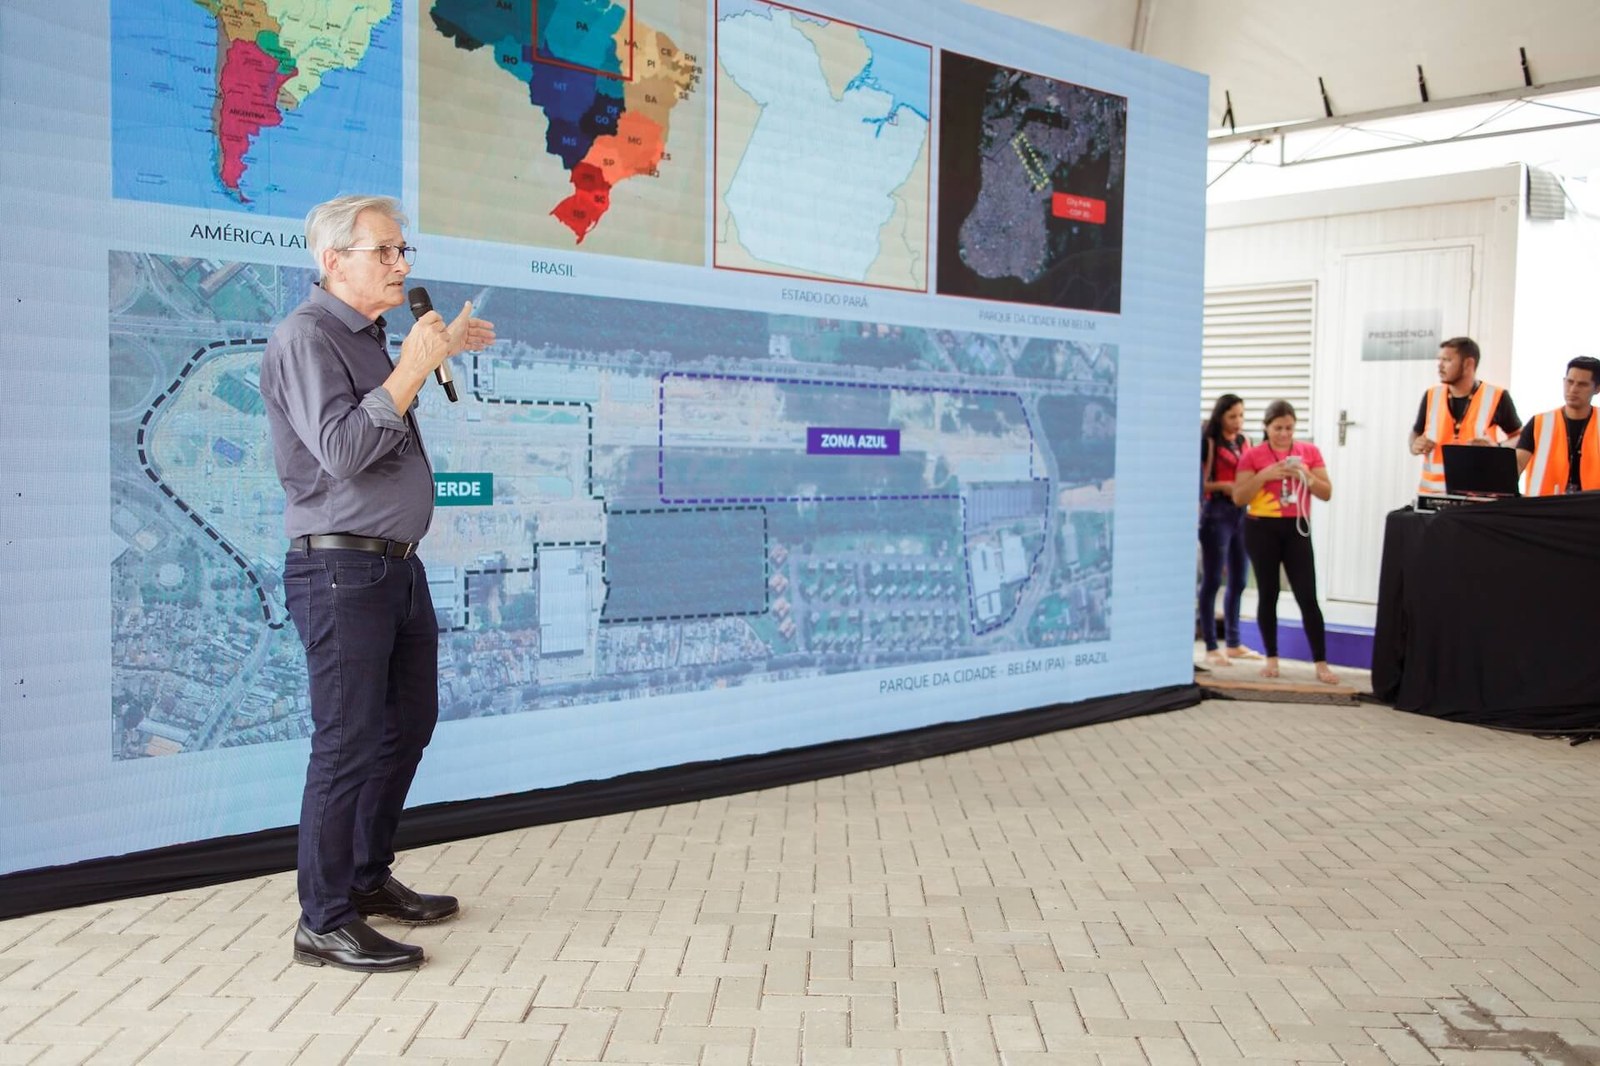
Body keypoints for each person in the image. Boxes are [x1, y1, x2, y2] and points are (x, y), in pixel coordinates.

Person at [259, 194, 495, 972]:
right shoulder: (306, 337)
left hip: (395, 565)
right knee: (347, 742)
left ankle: (364, 877)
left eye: (403, 252)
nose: (401, 265)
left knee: (407, 726)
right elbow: (342, 450)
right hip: (340, 569)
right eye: (385, 252)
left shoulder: (371, 338)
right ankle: (322, 920)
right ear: (334, 261)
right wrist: (412, 370)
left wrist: (430, 355)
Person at [1232, 400, 1338, 685]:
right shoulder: (1253, 455)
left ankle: (1321, 662)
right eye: (1277, 428)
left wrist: (1306, 474)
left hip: (1297, 528)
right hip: (1261, 528)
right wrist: (1265, 475)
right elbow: (1239, 497)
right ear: (1266, 428)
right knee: (1268, 593)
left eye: (1289, 428)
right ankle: (1272, 658)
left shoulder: (1309, 452)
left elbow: (1326, 492)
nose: (1283, 434)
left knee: (1307, 595)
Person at [1409, 336, 1521, 496]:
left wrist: (1497, 449)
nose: (1440, 366)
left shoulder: (1497, 396)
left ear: (1468, 364)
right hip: (1433, 496)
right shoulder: (1431, 395)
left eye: (1447, 360)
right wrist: (1415, 445)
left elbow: (1520, 437)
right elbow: (1415, 433)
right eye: (1439, 359)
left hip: (1477, 496)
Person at [1197, 394, 1254, 668]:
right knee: (1212, 580)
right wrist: (1224, 486)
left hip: (1241, 514)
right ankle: (1210, 644)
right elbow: (1200, 485)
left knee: (1240, 580)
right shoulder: (1208, 443)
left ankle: (1233, 642)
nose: (1238, 421)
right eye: (1233, 416)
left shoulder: (1245, 442)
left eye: (1241, 415)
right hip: (1216, 513)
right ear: (1220, 416)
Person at [1516, 356, 1600, 495]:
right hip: (1544, 509)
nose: (1573, 389)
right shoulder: (1539, 423)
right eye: (1570, 382)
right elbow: (1517, 464)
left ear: (1597, 388)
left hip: (1592, 510)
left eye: (1582, 384)